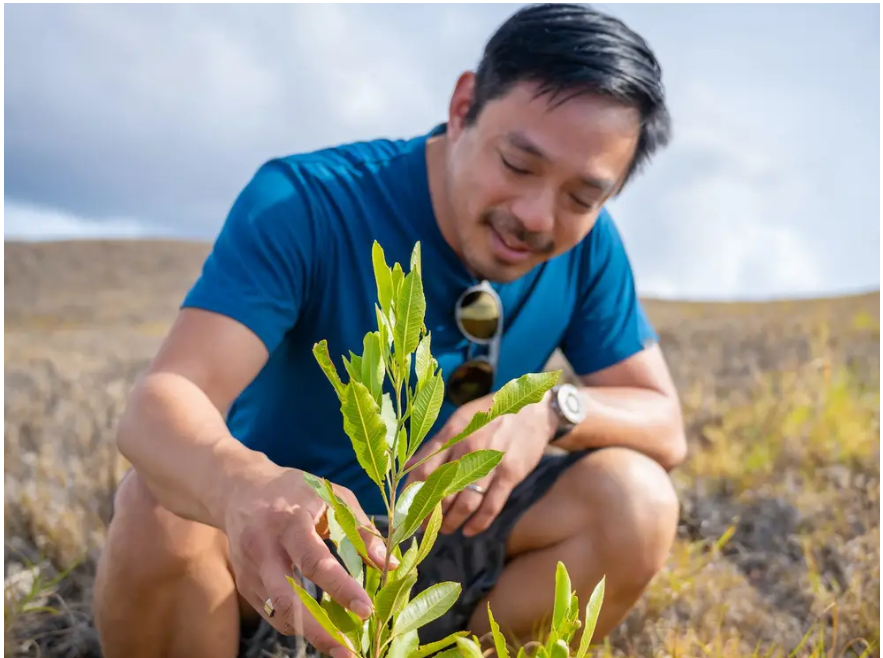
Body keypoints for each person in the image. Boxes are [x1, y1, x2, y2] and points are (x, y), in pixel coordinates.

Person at [92, 4, 686, 658]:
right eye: (517, 164)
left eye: (581, 197)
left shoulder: (589, 248)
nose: (536, 217)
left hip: (439, 544)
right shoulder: (306, 203)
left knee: (635, 500)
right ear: (463, 106)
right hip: (277, 545)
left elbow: (663, 423)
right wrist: (243, 487)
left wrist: (547, 409)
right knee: (161, 504)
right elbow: (161, 404)